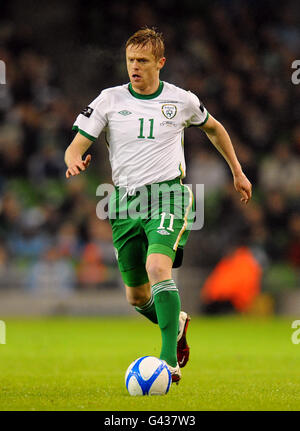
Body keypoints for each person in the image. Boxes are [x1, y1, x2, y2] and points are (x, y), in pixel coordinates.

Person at [64, 28, 252, 383]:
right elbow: (76, 144)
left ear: (160, 63)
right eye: (130, 60)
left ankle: (168, 362)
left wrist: (238, 172)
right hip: (122, 203)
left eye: (143, 61)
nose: (134, 67)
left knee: (157, 267)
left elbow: (215, 129)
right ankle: (176, 322)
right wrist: (74, 159)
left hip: (168, 195)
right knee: (136, 296)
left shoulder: (181, 100)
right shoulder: (109, 100)